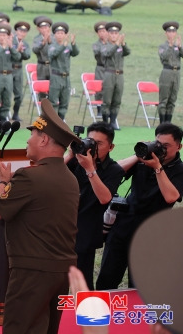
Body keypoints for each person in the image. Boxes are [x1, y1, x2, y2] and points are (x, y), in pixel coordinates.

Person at [0, 98, 80, 334]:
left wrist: (2, 182)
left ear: (45, 139)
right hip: (62, 272)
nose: (28, 140)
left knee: (21, 328)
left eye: (32, 134)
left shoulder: (29, 177)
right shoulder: (70, 178)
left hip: (32, 273)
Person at [96, 122, 183, 290]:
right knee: (107, 278)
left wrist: (158, 168)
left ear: (179, 146)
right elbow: (114, 171)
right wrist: (139, 155)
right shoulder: (144, 160)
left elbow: (171, 196)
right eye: (158, 144)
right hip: (124, 224)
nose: (161, 149)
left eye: (166, 146)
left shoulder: (179, 170)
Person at [64, 122, 124, 290]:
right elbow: (50, 176)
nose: (92, 146)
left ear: (111, 147)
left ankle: (87, 314)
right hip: (61, 228)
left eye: (98, 144)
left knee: (83, 284)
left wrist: (90, 169)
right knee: (55, 280)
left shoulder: (114, 170)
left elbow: (104, 198)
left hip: (86, 232)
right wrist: (70, 154)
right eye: (90, 141)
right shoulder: (75, 161)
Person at [100, 21, 130, 129]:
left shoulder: (121, 46)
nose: (114, 35)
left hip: (120, 75)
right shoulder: (105, 46)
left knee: (117, 99)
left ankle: (113, 122)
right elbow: (107, 53)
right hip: (109, 74)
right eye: (111, 33)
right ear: (108, 34)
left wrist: (123, 44)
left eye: (116, 33)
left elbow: (127, 52)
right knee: (107, 100)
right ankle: (105, 123)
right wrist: (116, 44)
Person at [47, 22, 79, 119]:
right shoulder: (52, 46)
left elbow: (75, 53)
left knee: (65, 101)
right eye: (58, 33)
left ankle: (61, 120)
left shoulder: (67, 46)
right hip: (56, 76)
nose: (60, 35)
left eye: (62, 33)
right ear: (54, 35)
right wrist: (63, 46)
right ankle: (53, 122)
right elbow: (53, 54)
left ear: (65, 35)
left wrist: (73, 44)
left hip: (66, 77)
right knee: (53, 101)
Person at [157, 21, 182, 124]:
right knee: (164, 100)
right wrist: (171, 46)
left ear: (175, 33)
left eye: (173, 31)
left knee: (172, 99)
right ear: (166, 33)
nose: (171, 33)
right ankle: (162, 123)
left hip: (177, 73)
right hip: (166, 72)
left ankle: (168, 123)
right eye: (169, 31)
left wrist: (179, 47)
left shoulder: (178, 45)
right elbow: (164, 57)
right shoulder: (163, 46)